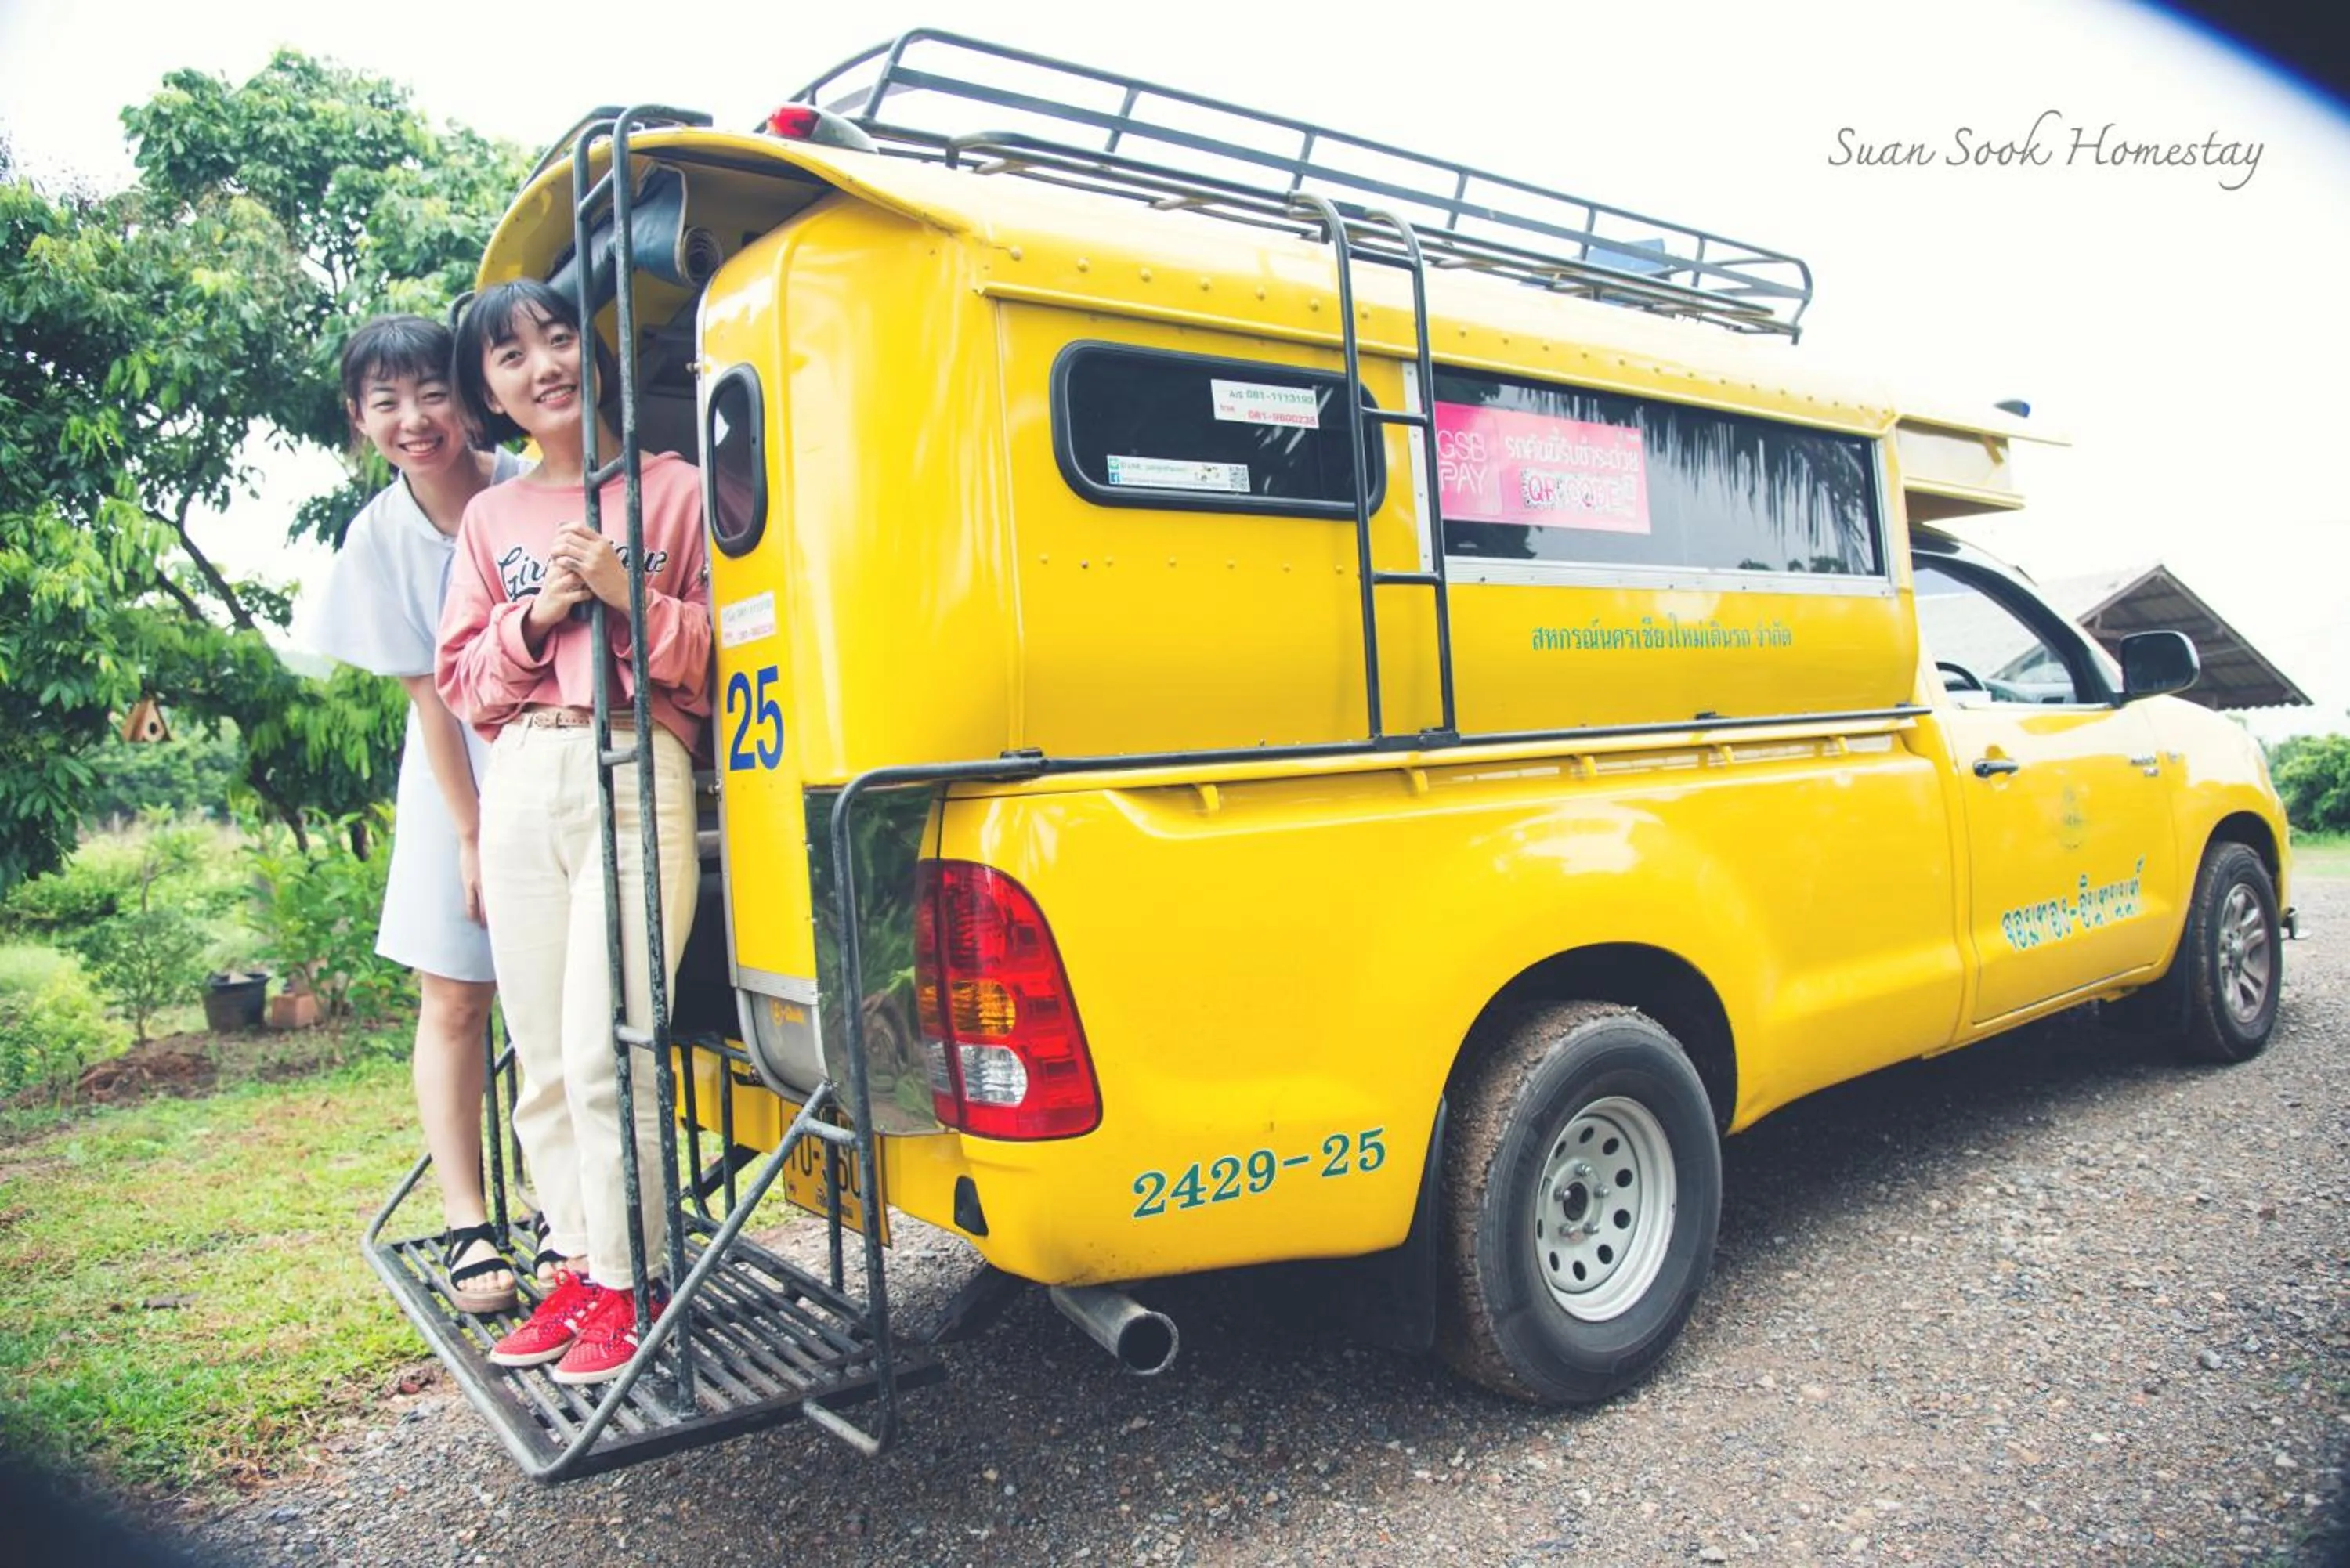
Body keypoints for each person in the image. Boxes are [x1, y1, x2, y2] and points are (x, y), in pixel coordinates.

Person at [436, 278, 712, 1386]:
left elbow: (727, 649)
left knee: (612, 1038)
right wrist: (540, 612)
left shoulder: (675, 488)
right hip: (523, 772)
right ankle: (585, 1267)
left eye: (559, 338)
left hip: (641, 760)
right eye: (512, 356)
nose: (544, 364)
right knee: (544, 1060)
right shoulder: (488, 516)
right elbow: (462, 678)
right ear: (490, 395)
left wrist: (623, 595)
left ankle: (638, 1279)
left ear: (593, 355)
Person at [311, 315, 528, 1317]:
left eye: (431, 392)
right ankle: (468, 1220)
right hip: (457, 775)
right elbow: (430, 697)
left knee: (559, 1000)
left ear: (468, 392)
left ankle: (576, 1220)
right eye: (386, 402)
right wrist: (472, 832)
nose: (414, 418)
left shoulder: (530, 476)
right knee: (456, 998)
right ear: (359, 420)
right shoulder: (380, 535)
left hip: (560, 747)